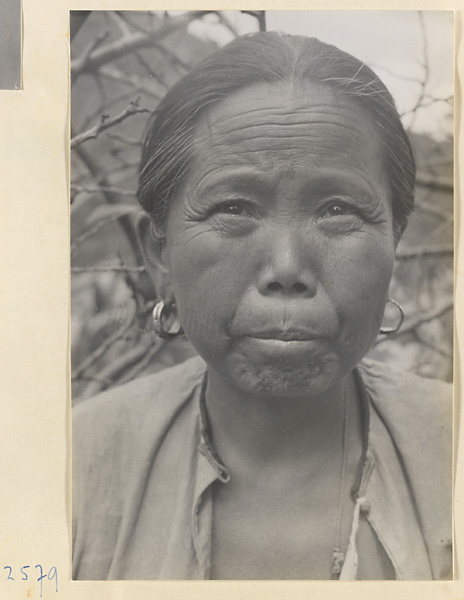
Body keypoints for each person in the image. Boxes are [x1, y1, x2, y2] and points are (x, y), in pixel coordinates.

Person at [72, 31, 452, 581]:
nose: (288, 268)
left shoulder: (451, 450)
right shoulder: (71, 470)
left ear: (394, 242)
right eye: (233, 207)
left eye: (337, 209)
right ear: (159, 257)